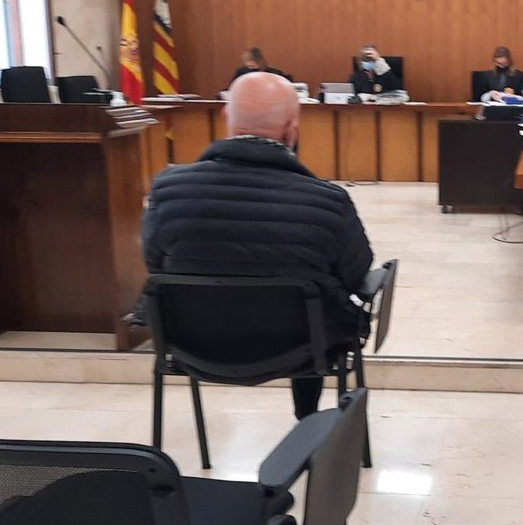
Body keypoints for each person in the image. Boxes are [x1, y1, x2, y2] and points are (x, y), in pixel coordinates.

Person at [142, 72, 375, 420]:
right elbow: (355, 275)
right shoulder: (328, 202)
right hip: (305, 352)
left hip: (192, 348)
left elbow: (154, 263)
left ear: (226, 118)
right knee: (315, 299)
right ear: (292, 130)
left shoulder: (167, 191)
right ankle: (308, 420)